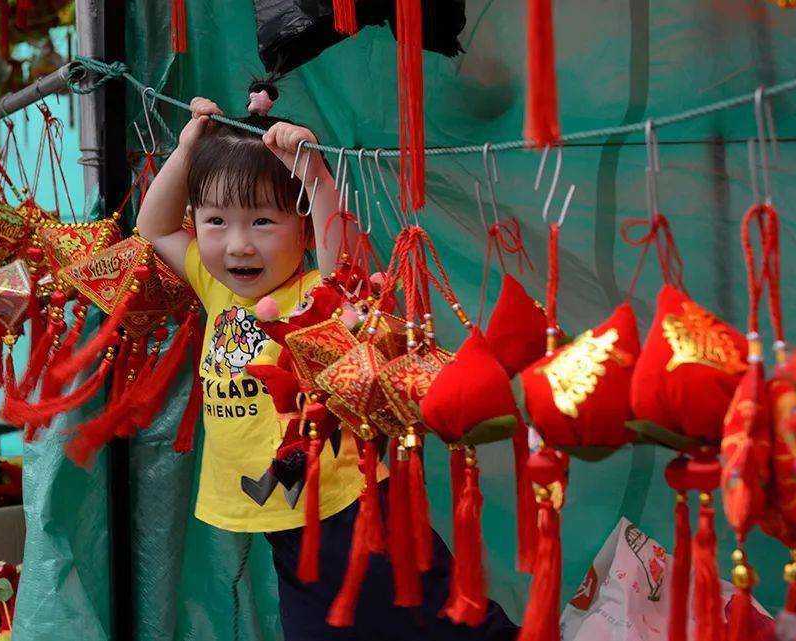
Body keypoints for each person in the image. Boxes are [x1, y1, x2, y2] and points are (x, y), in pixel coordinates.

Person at [137, 80, 517, 640]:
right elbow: (153, 226)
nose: (238, 244)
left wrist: (314, 175)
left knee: (447, 618)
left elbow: (340, 259)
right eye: (216, 221)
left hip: (352, 506)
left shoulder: (317, 290)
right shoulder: (215, 288)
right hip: (286, 522)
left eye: (262, 222)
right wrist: (189, 146)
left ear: (302, 230)